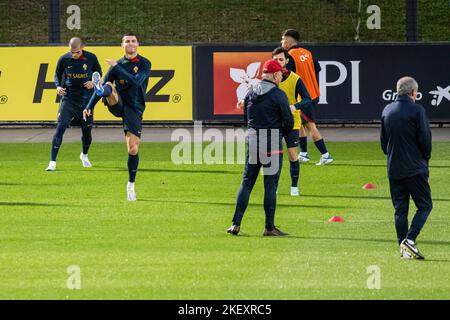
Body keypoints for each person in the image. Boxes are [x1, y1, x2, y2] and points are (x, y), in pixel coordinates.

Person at [227, 59, 294, 236]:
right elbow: (289, 122)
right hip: (271, 144)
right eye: (280, 74)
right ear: (274, 75)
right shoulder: (278, 95)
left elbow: (246, 120)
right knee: (270, 187)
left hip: (253, 141)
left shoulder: (249, 94)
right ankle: (269, 227)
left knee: (247, 183)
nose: (281, 77)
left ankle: (235, 224)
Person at [83, 34, 151, 201]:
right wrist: (89, 106)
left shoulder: (144, 63)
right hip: (118, 103)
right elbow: (106, 80)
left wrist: (116, 67)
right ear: (122, 45)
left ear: (138, 44)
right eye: (127, 41)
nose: (130, 43)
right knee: (107, 86)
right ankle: (102, 91)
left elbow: (136, 82)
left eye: (133, 41)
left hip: (134, 108)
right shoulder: (116, 65)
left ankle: (130, 185)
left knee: (133, 148)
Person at [381, 76, 432, 260]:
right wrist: (425, 163)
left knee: (400, 210)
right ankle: (409, 240)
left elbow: (383, 144)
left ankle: (403, 248)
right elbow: (425, 141)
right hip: (415, 168)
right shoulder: (417, 110)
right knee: (425, 205)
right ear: (413, 92)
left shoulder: (387, 110)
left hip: (394, 168)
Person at [46, 37, 102, 171]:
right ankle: (52, 162)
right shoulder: (64, 59)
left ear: (82, 47)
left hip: (86, 100)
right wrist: (58, 87)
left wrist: (93, 82)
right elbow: (57, 74)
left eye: (77, 52)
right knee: (60, 127)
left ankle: (84, 155)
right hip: (69, 98)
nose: (74, 54)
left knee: (87, 132)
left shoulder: (91, 58)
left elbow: (99, 73)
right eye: (72, 52)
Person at [281, 29, 333, 166]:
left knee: (310, 126)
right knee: (300, 123)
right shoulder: (307, 52)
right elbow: (317, 68)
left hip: (303, 97)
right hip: (313, 92)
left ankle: (325, 155)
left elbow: (288, 76)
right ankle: (303, 153)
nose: (282, 42)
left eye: (283, 40)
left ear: (290, 41)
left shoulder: (290, 56)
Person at [272, 47, 312, 196]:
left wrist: (295, 106)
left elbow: (308, 99)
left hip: (292, 121)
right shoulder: (268, 78)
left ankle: (294, 186)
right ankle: (273, 187)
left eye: (281, 59)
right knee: (275, 155)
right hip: (274, 122)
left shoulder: (295, 79)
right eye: (275, 59)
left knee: (292, 153)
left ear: (287, 61)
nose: (278, 62)